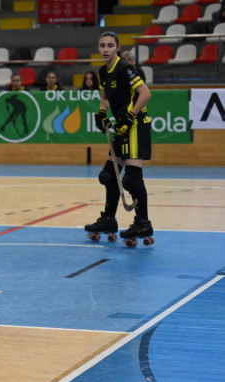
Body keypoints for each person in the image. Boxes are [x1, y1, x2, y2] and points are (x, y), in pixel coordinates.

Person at [86, 31, 153, 243]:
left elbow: (145, 93)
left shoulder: (125, 68)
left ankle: (143, 223)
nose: (105, 49)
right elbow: (105, 95)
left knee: (132, 178)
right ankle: (108, 219)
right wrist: (102, 112)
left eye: (110, 45)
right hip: (121, 127)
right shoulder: (103, 71)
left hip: (135, 126)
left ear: (117, 48)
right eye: (102, 45)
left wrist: (129, 118)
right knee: (108, 175)